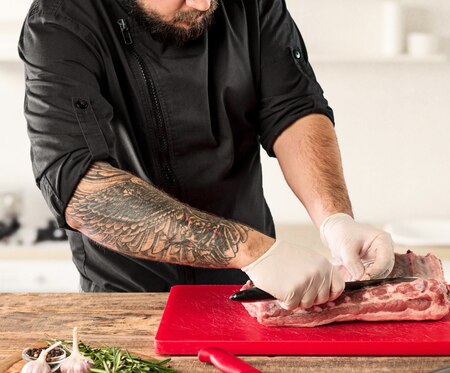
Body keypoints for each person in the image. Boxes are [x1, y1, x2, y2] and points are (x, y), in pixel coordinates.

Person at [18, 0, 395, 309]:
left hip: (256, 289)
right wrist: (252, 250)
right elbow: (82, 191)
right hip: (129, 299)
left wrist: (334, 218)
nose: (205, 4)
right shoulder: (60, 20)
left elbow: (293, 110)